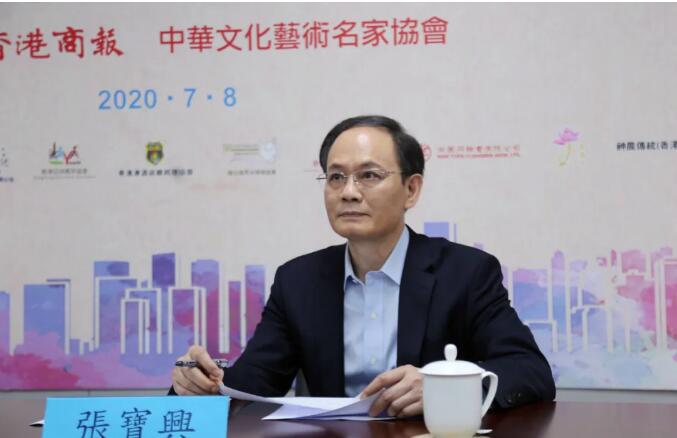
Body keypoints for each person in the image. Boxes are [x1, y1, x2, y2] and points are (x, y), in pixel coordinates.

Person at [170, 115, 556, 417]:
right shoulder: (299, 281)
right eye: (336, 177)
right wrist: (199, 385)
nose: (349, 192)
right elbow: (253, 383)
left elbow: (529, 371)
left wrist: (444, 389)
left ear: (411, 189)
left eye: (369, 176)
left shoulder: (465, 272)